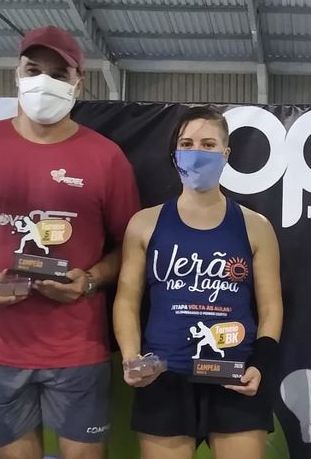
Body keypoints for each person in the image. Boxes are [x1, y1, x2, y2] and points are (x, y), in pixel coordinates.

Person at [0, 26, 140, 459]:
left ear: (79, 82)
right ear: (17, 73)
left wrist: (90, 280)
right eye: (34, 70)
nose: (44, 81)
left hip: (77, 347)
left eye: (59, 73)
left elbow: (132, 245)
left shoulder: (106, 157)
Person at [113, 106, 283, 459]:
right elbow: (127, 300)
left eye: (208, 144)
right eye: (187, 143)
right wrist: (131, 358)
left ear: (226, 153)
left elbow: (271, 307)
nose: (197, 151)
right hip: (163, 375)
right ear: (175, 153)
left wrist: (260, 365)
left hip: (234, 377)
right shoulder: (144, 223)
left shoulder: (256, 226)